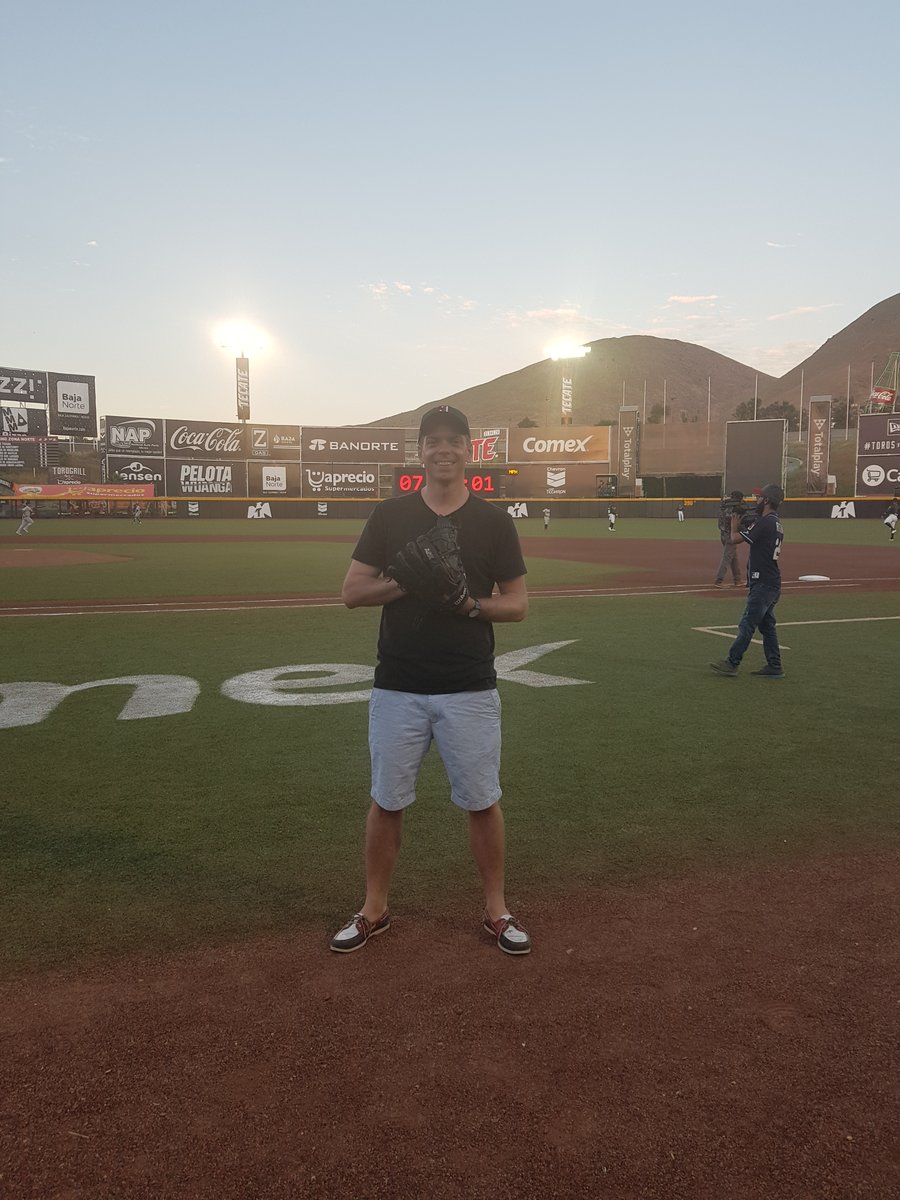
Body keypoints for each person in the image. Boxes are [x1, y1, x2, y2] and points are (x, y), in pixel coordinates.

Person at [331, 405, 532, 957]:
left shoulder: (493, 521)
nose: (444, 449)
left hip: (469, 685)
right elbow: (351, 592)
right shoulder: (391, 515)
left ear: (469, 450)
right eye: (433, 441)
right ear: (419, 451)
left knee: (482, 801)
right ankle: (375, 907)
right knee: (386, 801)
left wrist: (466, 604)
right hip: (398, 684)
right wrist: (405, 581)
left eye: (454, 440)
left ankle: (496, 908)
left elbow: (516, 605)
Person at [711, 484, 785, 678]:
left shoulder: (765, 522)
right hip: (771, 582)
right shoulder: (775, 522)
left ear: (767, 500)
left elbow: (735, 539)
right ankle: (775, 666)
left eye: (760, 498)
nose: (757, 501)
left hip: (763, 584)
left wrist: (735, 524)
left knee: (747, 624)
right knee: (767, 626)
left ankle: (732, 662)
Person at [714, 491, 744, 587]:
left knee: (733, 556)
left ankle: (737, 579)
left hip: (723, 534)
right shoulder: (736, 508)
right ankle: (719, 580)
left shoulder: (724, 505)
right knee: (727, 557)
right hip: (730, 535)